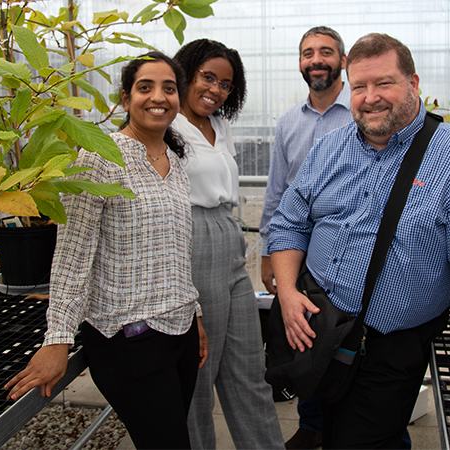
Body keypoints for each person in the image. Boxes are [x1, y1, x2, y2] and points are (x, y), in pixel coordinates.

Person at [268, 33, 450, 449]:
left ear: (414, 84)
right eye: (360, 86)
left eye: (385, 83)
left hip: (386, 348)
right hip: (318, 329)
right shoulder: (330, 148)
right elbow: (289, 222)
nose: (371, 97)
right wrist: (290, 294)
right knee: (326, 423)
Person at [5, 52, 209, 449]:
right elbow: (71, 254)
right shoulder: (98, 158)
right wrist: (57, 339)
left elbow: (176, 252)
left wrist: (194, 313)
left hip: (179, 333)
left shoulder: (175, 162)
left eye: (169, 88)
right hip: (130, 341)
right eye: (145, 87)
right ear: (125, 98)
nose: (158, 97)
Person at [171, 39, 284, 450]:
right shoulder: (166, 126)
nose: (216, 89)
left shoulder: (219, 125)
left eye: (226, 84)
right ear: (184, 73)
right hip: (190, 241)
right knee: (199, 377)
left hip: (228, 238)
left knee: (250, 372)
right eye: (208, 78)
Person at [258, 26, 350, 450]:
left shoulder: (361, 112)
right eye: (308, 53)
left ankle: (362, 427)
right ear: (300, 63)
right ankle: (312, 424)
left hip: (350, 248)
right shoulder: (289, 122)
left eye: (326, 52)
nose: (317, 60)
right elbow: (276, 192)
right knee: (305, 337)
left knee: (348, 341)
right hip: (300, 252)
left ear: (343, 61)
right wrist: (267, 253)